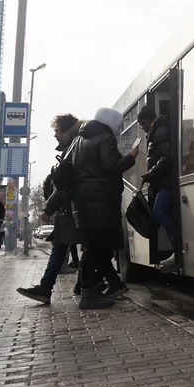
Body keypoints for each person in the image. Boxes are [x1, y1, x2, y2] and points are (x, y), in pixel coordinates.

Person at [67, 107, 137, 309]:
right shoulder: (105, 138)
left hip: (84, 202)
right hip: (100, 202)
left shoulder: (80, 140)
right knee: (102, 249)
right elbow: (111, 166)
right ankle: (90, 293)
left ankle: (90, 289)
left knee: (93, 247)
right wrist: (132, 156)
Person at [17, 113, 82, 305]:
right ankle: (52, 288)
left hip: (72, 207)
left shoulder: (73, 148)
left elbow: (65, 185)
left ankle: (48, 288)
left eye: (57, 131)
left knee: (74, 248)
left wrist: (48, 209)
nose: (55, 135)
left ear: (65, 131)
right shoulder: (71, 147)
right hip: (70, 208)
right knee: (67, 248)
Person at [137, 105, 178, 261]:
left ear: (151, 120)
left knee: (158, 212)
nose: (144, 129)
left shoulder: (161, 132)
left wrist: (152, 173)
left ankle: (178, 245)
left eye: (145, 124)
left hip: (166, 182)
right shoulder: (157, 132)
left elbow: (167, 157)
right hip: (162, 182)